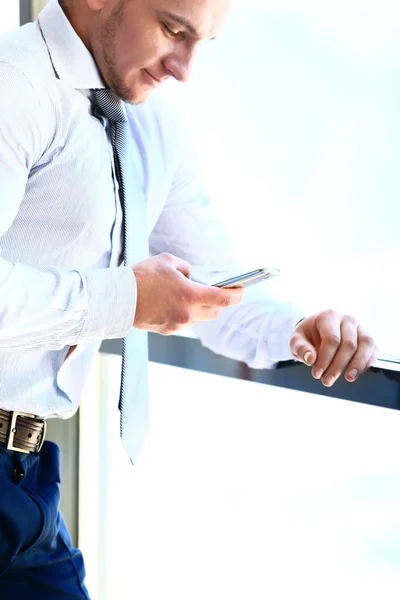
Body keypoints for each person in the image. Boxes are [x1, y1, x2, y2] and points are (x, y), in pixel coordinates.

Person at [0, 0, 378, 597]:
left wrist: (301, 328)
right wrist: (125, 299)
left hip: (30, 475)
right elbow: (131, 298)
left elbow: (212, 284)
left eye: (205, 41)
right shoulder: (13, 85)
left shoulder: (154, 129)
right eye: (173, 30)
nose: (186, 68)